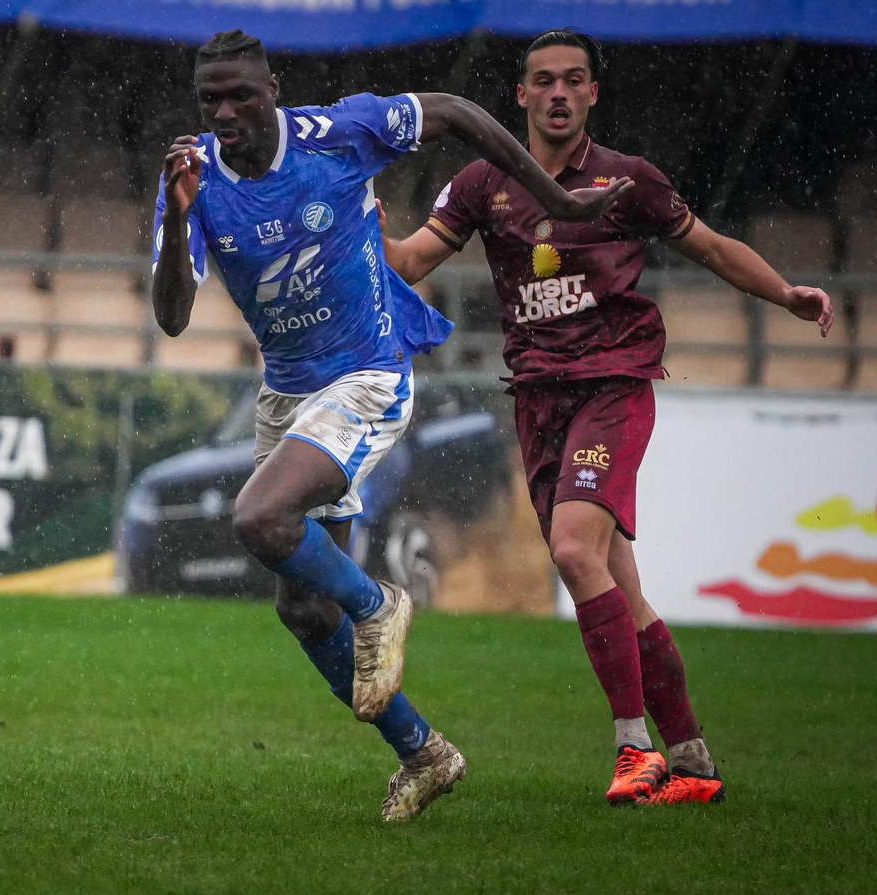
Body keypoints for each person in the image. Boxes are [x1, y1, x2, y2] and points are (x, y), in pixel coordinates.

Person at [150, 29, 631, 821]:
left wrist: (554, 197)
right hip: (288, 394)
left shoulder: (339, 132)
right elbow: (171, 316)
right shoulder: (192, 176)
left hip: (367, 373)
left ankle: (378, 603)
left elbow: (455, 111)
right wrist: (176, 218)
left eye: (241, 95)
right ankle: (423, 752)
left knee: (259, 516)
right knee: (304, 609)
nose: (226, 113)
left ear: (273, 90)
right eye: (211, 100)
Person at [380, 29, 833, 806]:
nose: (558, 93)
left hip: (612, 385)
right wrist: (356, 226)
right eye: (544, 81)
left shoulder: (629, 180)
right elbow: (412, 260)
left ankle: (634, 747)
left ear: (592, 93)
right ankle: (693, 761)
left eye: (573, 80)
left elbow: (713, 248)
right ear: (520, 96)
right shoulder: (483, 182)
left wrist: (786, 293)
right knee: (621, 587)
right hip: (538, 398)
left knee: (570, 548)